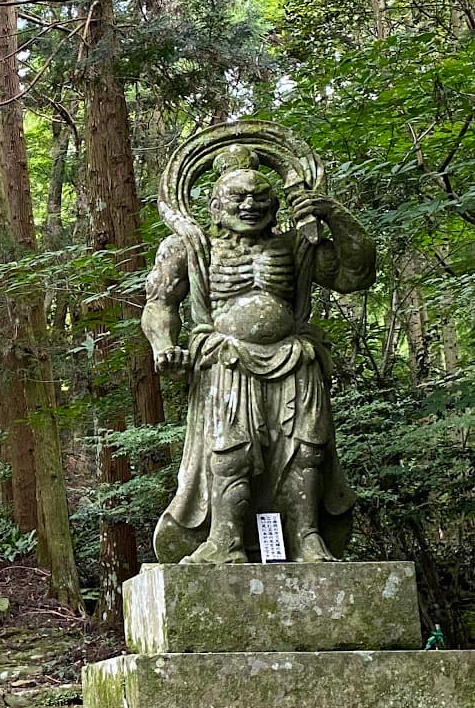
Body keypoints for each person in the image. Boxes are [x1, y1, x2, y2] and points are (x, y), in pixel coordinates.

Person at [142, 166, 375, 564]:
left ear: (276, 204)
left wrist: (333, 214)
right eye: (238, 197)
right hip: (225, 359)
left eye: (260, 197)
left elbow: (355, 275)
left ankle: (308, 537)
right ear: (215, 206)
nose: (249, 205)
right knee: (231, 452)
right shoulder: (190, 247)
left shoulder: (295, 246)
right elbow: (160, 304)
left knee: (307, 450)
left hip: (295, 358)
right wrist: (164, 346)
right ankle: (224, 540)